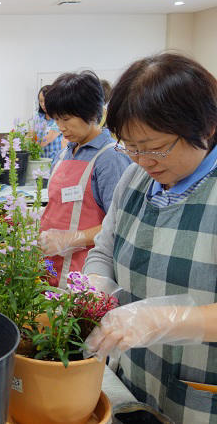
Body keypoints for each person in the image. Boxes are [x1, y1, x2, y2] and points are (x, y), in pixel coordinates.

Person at [83, 53, 217, 423]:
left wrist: (167, 319)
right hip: (135, 381)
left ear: (205, 127)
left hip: (201, 394)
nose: (142, 159)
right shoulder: (136, 179)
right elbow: (104, 249)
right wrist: (94, 288)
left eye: (154, 146)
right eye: (130, 146)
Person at [39, 71, 131, 286]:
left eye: (67, 119)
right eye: (56, 120)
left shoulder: (111, 157)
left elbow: (121, 224)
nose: (61, 128)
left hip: (86, 272)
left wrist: (71, 238)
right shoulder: (63, 154)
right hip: (52, 266)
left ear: (91, 113)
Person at [33, 85, 63, 160]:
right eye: (41, 101)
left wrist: (32, 148)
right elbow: (32, 135)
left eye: (45, 100)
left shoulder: (60, 117)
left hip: (55, 160)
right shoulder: (38, 117)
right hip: (41, 160)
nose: (43, 104)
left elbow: (49, 137)